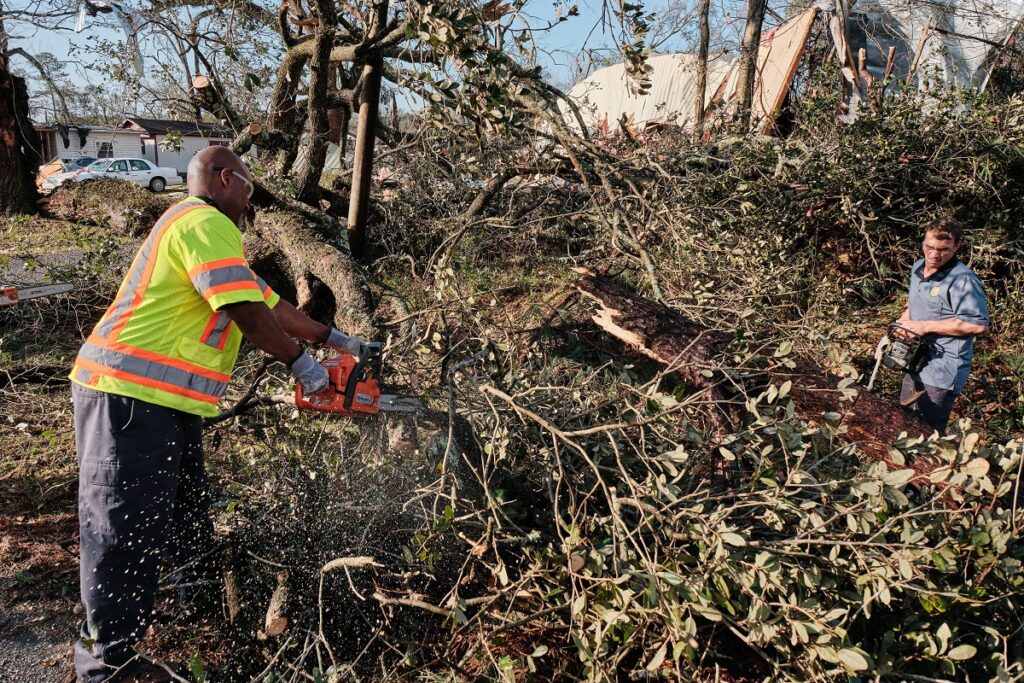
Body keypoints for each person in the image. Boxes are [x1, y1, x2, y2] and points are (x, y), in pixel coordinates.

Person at [68, 147, 365, 682]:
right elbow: (245, 312)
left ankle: (195, 618)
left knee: (184, 516)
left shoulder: (214, 237)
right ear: (226, 179)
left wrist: (330, 337)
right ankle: (106, 664)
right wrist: (303, 365)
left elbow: (268, 303)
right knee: (120, 526)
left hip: (164, 403)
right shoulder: (201, 220)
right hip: (127, 395)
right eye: (248, 189)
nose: (250, 203)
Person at [895, 217, 989, 434]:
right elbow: (916, 304)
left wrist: (925, 326)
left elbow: (978, 325)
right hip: (914, 361)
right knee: (904, 423)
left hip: (941, 370)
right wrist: (902, 323)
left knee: (926, 434)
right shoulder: (918, 267)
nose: (934, 255)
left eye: (943, 250)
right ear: (923, 243)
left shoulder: (963, 280)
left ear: (956, 247)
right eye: (930, 247)